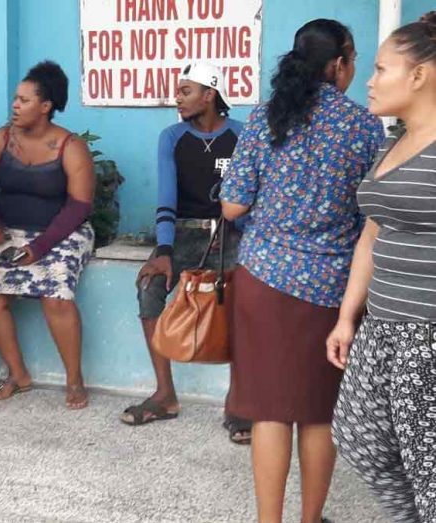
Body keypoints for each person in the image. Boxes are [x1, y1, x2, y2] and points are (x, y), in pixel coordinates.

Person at [219, 20, 385, 523]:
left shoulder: (266, 117)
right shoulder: (365, 126)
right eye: (354, 61)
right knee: (318, 412)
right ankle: (310, 519)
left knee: (269, 410)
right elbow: (368, 220)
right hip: (331, 289)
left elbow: (232, 207)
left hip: (263, 279)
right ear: (339, 62)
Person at [329, 12, 436, 522]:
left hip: (428, 334)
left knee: (429, 466)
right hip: (383, 326)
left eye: (380, 69)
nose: (367, 82)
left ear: (418, 75)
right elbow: (372, 233)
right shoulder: (394, 143)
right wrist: (349, 316)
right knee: (360, 438)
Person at [122, 62, 252, 444]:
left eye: (185, 90)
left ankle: (238, 403)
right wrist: (163, 250)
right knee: (149, 287)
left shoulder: (242, 136)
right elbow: (166, 199)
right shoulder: (172, 137)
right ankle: (165, 395)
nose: (177, 98)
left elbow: (247, 198)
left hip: (232, 234)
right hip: (182, 235)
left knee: (242, 304)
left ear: (209, 94)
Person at [0, 61, 96, 410]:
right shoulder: (1, 139)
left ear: (45, 106)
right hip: (9, 233)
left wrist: (39, 248)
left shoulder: (69, 146)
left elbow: (79, 206)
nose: (15, 105)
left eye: (24, 100)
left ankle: (74, 380)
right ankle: (18, 374)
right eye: (15, 98)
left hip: (62, 233)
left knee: (55, 294)